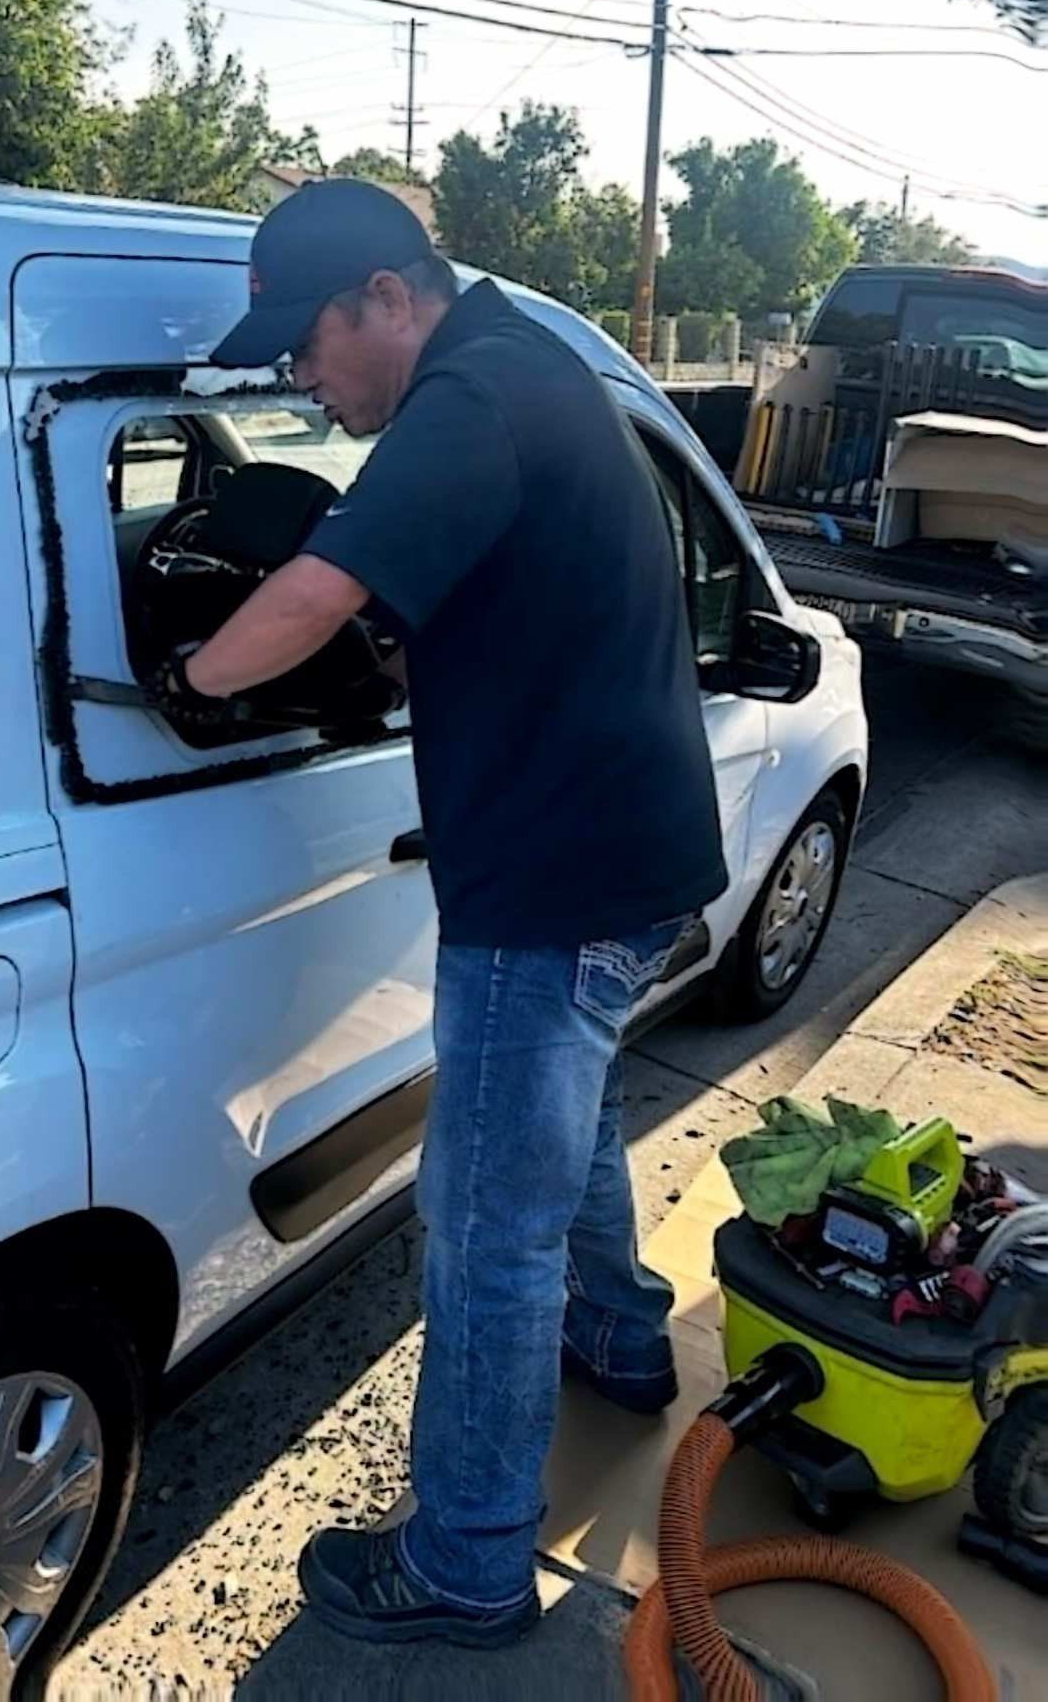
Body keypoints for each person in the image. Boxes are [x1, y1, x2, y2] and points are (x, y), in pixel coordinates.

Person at [174, 178, 728, 1648]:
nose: (304, 381)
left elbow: (312, 596)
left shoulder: (467, 399)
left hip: (551, 884)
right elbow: (482, 594)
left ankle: (469, 1560)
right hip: (627, 859)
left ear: (383, 297)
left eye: (307, 346)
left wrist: (187, 680)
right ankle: (620, 1339)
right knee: (567, 1128)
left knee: (487, 1231)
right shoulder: (526, 362)